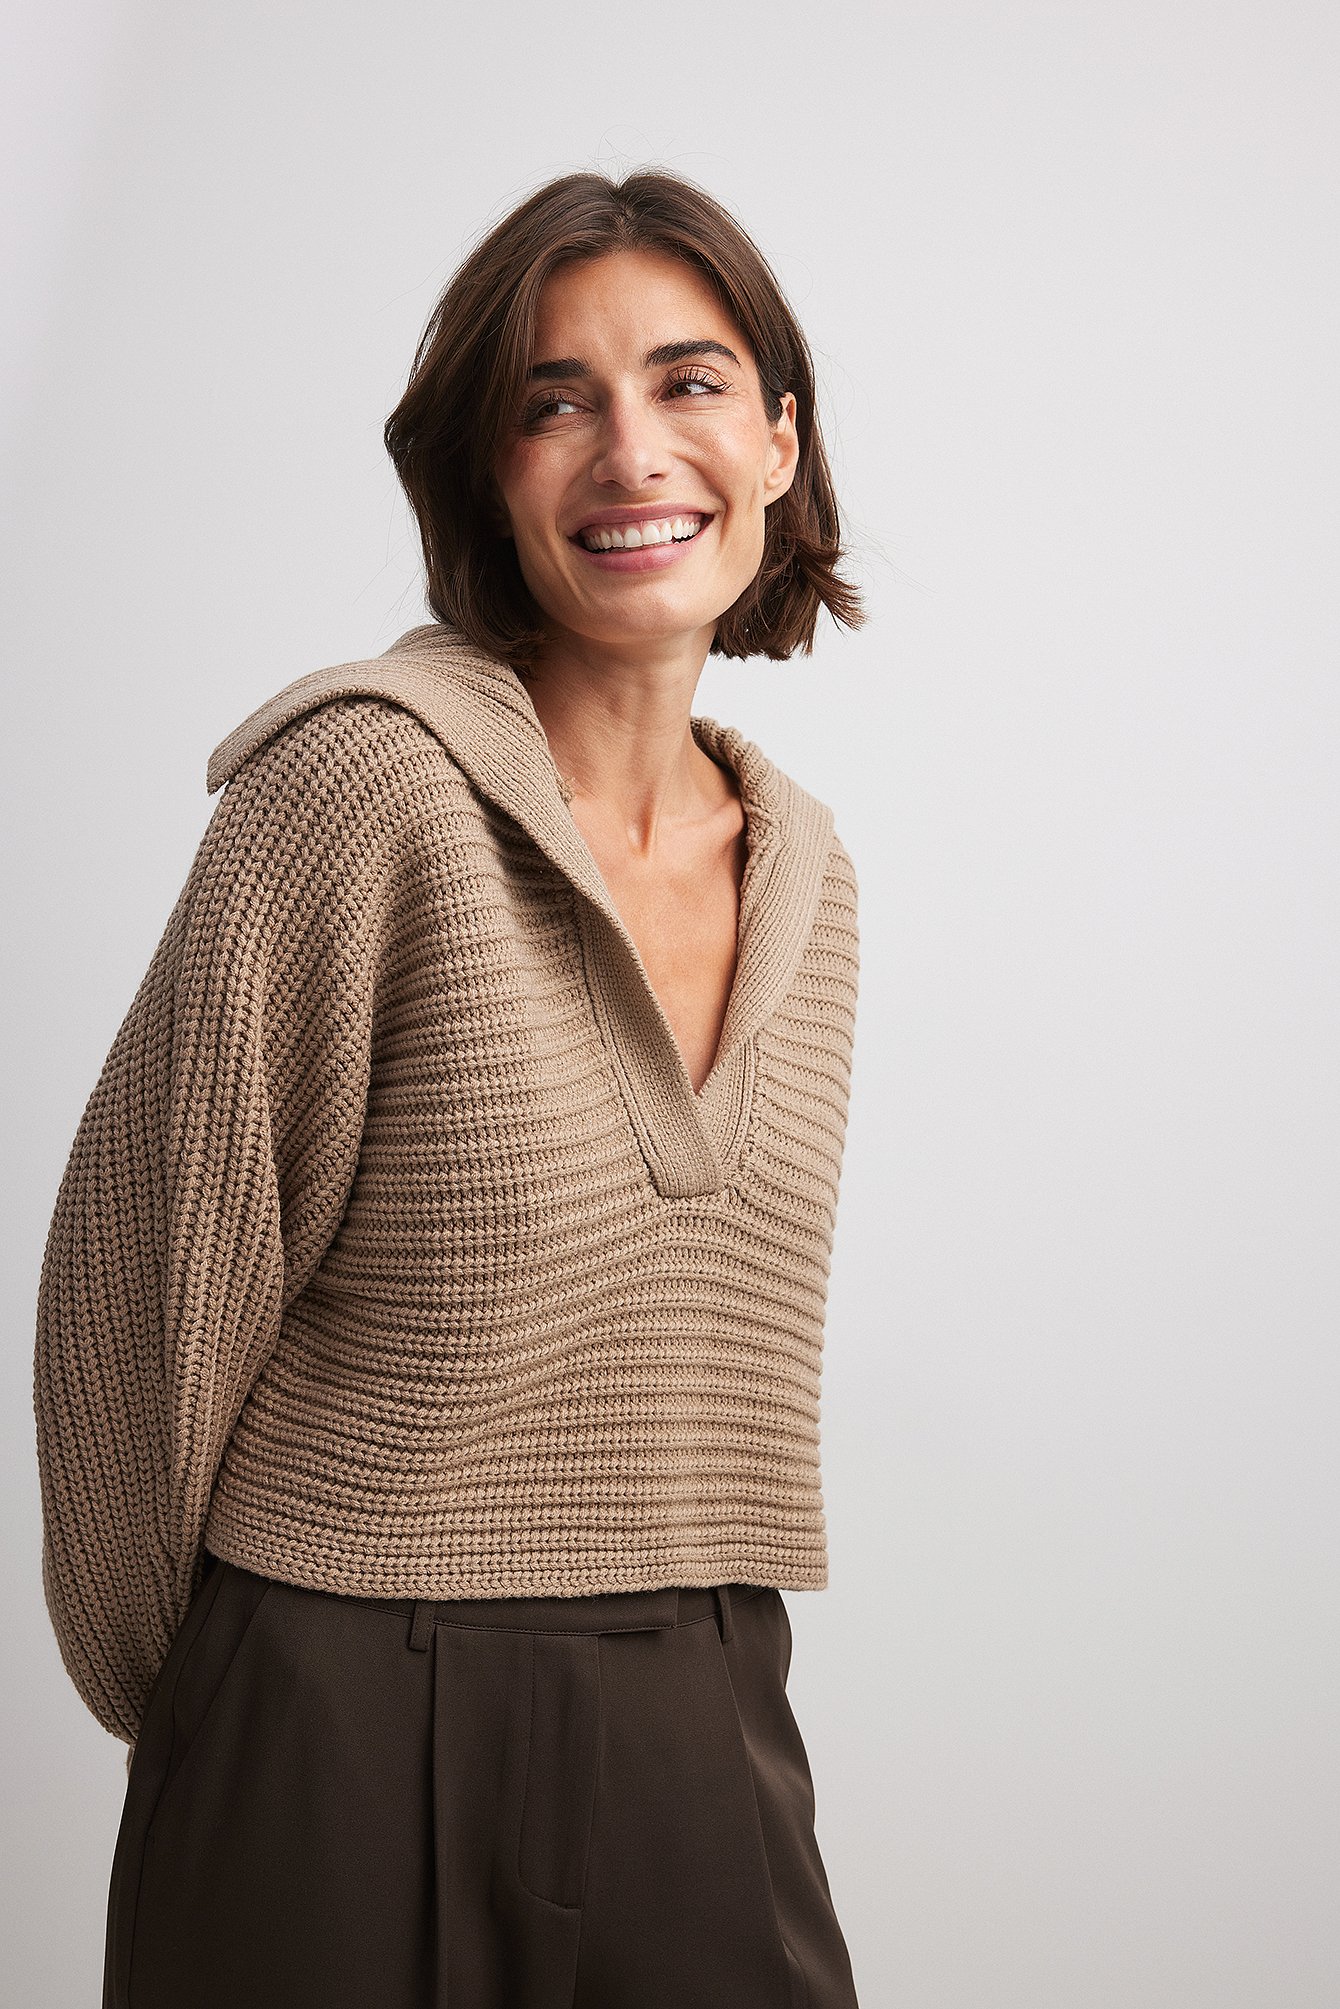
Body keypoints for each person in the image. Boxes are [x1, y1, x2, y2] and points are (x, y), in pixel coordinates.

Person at [33, 167, 866, 2009]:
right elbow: (135, 1306)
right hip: (327, 1709)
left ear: (779, 441)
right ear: (490, 478)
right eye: (554, 402)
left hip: (702, 1705)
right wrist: (235, 1719)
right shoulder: (359, 790)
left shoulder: (811, 880)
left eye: (689, 381)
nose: (630, 449)